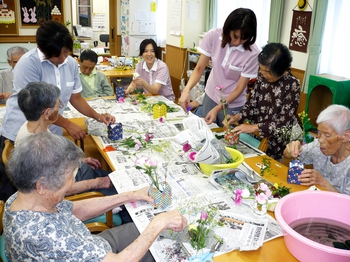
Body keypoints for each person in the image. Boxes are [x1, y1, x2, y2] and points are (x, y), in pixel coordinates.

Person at [3, 132, 187, 261]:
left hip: (89, 246)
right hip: (102, 256)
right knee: (164, 240)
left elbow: (77, 209)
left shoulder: (24, 197)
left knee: (153, 232)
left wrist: (130, 195)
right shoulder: (48, 236)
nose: (72, 182)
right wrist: (158, 224)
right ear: (42, 185)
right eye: (69, 178)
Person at [0, 20, 115, 201]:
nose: (62, 59)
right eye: (57, 55)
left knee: (53, 171)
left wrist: (98, 116)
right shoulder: (27, 64)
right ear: (42, 49)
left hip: (46, 136)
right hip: (27, 135)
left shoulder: (69, 63)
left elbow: (75, 97)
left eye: (66, 52)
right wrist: (68, 124)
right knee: (33, 189)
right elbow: (37, 107)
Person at [15, 82, 115, 197]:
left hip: (75, 172)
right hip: (76, 183)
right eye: (59, 106)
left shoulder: (34, 126)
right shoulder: (35, 147)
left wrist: (78, 162)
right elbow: (58, 190)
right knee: (123, 191)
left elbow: (53, 165)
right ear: (47, 113)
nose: (59, 109)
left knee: (116, 176)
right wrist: (98, 183)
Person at [179, 8, 260, 126]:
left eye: (243, 39)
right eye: (235, 36)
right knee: (207, 131)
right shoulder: (213, 35)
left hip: (233, 103)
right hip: (211, 95)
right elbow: (199, 68)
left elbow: (239, 88)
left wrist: (218, 109)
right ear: (228, 29)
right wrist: (186, 90)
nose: (237, 42)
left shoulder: (253, 53)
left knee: (227, 139)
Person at [224, 43, 300, 159]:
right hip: (254, 138)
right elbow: (251, 105)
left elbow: (283, 123)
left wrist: (253, 127)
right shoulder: (262, 77)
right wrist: (237, 117)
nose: (262, 73)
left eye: (267, 71)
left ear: (280, 70)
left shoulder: (292, 84)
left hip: (273, 143)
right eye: (261, 68)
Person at [283, 105, 350, 194]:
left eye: (327, 135)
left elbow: (346, 204)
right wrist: (291, 149)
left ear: (346, 136)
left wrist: (322, 182)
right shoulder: (317, 147)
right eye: (319, 133)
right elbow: (288, 155)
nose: (321, 140)